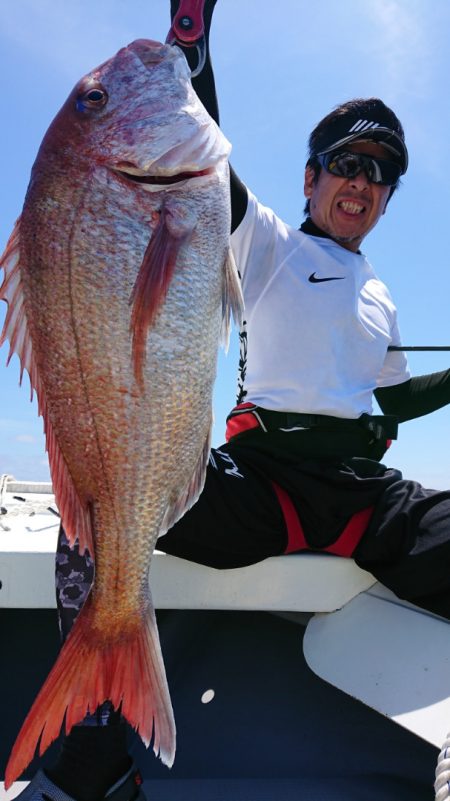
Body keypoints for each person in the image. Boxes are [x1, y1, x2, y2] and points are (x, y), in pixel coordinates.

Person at [14, 1, 450, 800]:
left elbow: (391, 400)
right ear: (312, 178)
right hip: (263, 485)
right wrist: (194, 45)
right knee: (97, 526)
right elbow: (196, 158)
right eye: (347, 162)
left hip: (367, 495)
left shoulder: (381, 294)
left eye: (381, 172)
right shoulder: (269, 243)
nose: (363, 180)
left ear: (388, 200)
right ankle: (92, 746)